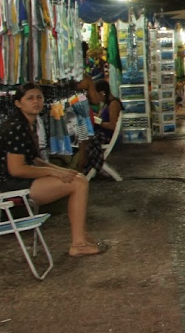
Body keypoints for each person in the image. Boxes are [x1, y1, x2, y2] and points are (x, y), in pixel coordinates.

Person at [0, 83, 107, 257]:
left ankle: (81, 236)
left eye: (39, 97)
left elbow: (34, 159)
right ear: (18, 103)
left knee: (78, 178)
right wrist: (55, 172)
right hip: (9, 186)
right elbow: (17, 169)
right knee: (78, 184)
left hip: (20, 180)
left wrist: (60, 170)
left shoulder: (29, 123)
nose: (36, 102)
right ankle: (78, 243)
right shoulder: (16, 127)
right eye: (30, 98)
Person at [92, 80, 122, 145]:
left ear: (102, 93)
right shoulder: (107, 104)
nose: (97, 98)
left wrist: (99, 123)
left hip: (106, 136)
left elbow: (112, 125)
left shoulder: (113, 104)